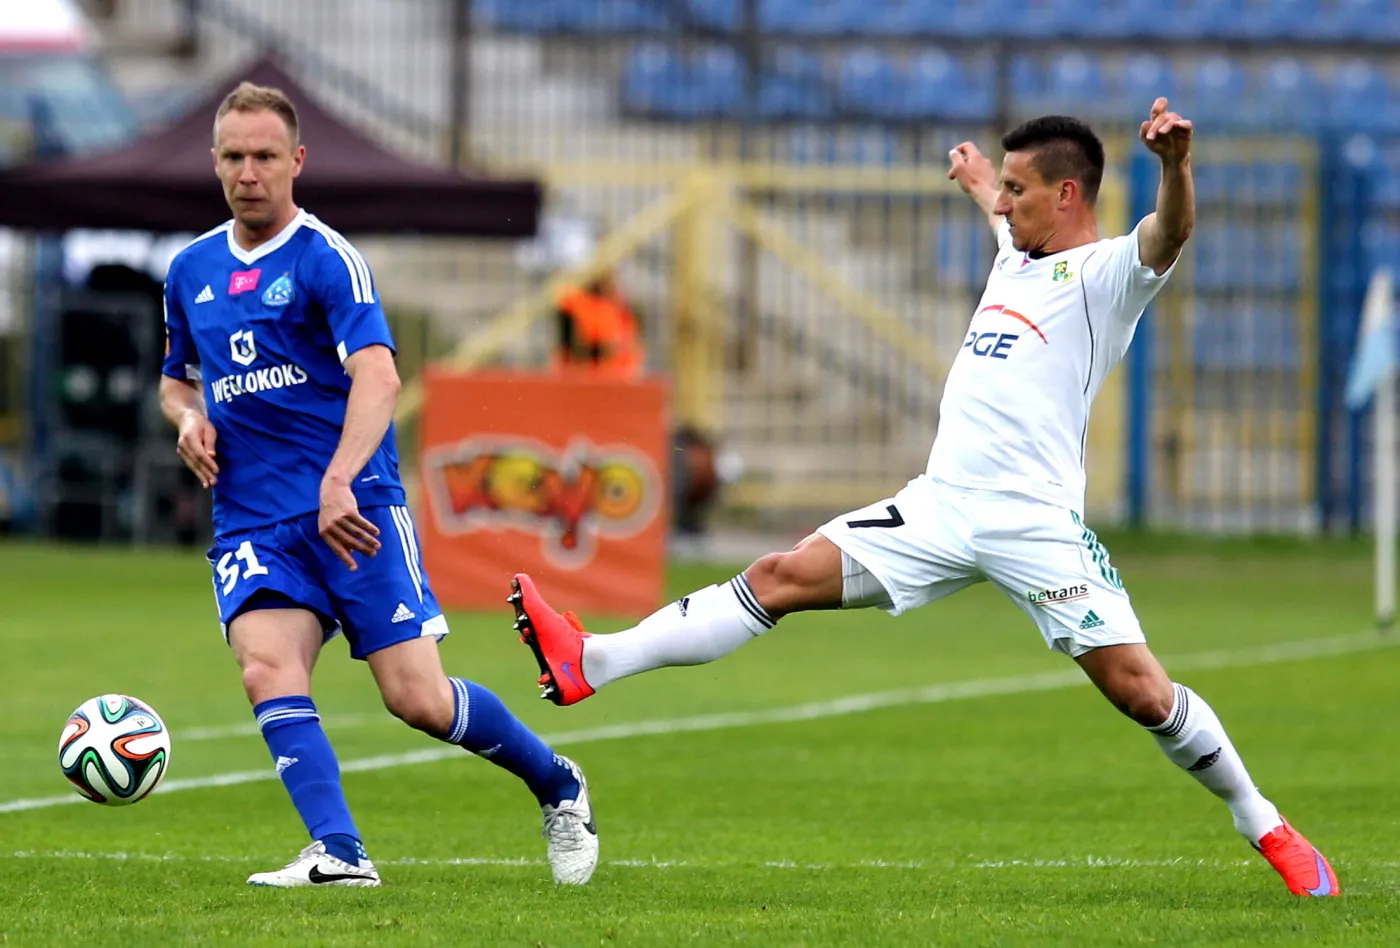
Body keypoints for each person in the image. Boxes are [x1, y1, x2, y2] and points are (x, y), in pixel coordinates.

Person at [507, 99, 1339, 898]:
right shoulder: (1015, 249)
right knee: (778, 576)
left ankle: (1263, 823)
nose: (1004, 205)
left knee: (1144, 695)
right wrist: (981, 178)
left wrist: (1178, 165)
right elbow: (995, 207)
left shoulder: (1106, 274)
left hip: (1033, 523)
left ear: (1067, 195)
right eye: (1003, 191)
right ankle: (594, 661)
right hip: (938, 506)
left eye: (1020, 191)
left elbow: (1172, 231)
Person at [158, 81, 598, 888]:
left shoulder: (327, 258)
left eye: (263, 156)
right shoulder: (189, 269)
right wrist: (188, 420)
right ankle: (341, 852)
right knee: (267, 668)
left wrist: (338, 481)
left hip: (350, 511)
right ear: (214, 161)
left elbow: (381, 378)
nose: (248, 172)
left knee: (418, 700)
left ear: (296, 161)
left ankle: (558, 783)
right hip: (252, 519)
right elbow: (176, 380)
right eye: (232, 157)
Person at [553, 270, 644, 379]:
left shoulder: (623, 311)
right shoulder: (574, 303)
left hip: (615, 377)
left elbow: (626, 351)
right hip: (580, 375)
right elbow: (575, 346)